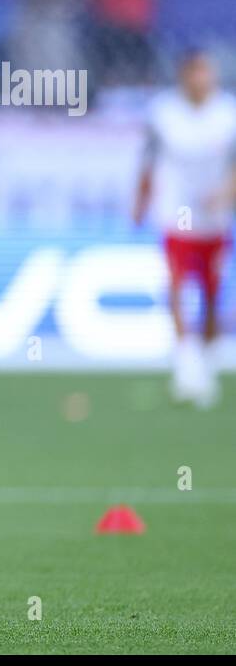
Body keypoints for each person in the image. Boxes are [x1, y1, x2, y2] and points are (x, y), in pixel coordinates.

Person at [134, 50, 236, 408]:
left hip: (215, 217)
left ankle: (205, 358)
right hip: (176, 212)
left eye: (206, 71)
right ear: (183, 76)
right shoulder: (163, 113)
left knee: (211, 291)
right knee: (177, 283)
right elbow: (148, 161)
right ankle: (186, 360)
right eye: (195, 72)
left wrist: (225, 193)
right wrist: (140, 202)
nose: (201, 79)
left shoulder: (228, 114)